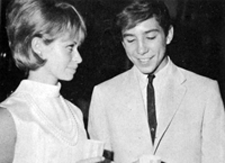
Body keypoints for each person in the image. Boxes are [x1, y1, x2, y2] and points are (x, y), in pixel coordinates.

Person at [88, 0, 225, 163]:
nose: (141, 49)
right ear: (123, 42)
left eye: (150, 37)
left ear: (169, 35)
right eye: (131, 40)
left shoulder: (205, 91)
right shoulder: (103, 94)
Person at [0, 0, 106, 162]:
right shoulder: (9, 117)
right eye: (70, 47)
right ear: (38, 47)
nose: (78, 58)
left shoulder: (74, 113)